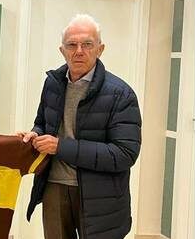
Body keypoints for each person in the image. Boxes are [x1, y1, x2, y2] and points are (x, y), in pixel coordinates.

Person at [19, 14, 141, 239]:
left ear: (100, 49)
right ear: (62, 50)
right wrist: (34, 134)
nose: (79, 51)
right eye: (72, 45)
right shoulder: (53, 83)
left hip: (100, 196)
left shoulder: (121, 94)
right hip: (54, 186)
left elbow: (125, 154)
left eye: (87, 44)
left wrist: (61, 147)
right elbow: (42, 122)